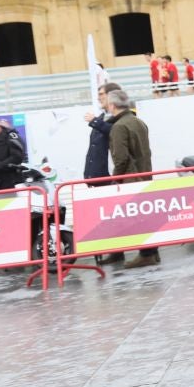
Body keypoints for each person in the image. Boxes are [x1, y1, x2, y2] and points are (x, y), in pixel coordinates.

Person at [105, 89, 160, 269]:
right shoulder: (139, 122)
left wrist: (116, 179)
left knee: (137, 219)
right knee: (147, 217)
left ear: (112, 105)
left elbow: (121, 158)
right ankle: (153, 252)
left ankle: (146, 254)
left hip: (131, 180)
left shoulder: (119, 127)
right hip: (145, 174)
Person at [84, 82, 126, 264]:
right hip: (98, 176)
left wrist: (95, 122)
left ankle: (123, 251)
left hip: (109, 176)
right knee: (108, 219)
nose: (99, 97)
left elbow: (115, 134)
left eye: (101, 94)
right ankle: (116, 251)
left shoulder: (119, 118)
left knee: (116, 217)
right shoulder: (103, 117)